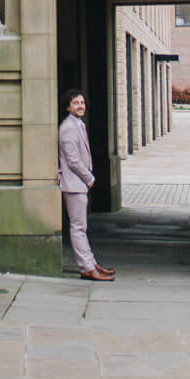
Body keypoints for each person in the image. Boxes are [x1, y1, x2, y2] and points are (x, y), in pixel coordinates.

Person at [58, 89, 113, 282]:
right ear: (67, 107)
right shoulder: (68, 128)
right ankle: (87, 268)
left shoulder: (78, 124)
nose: (80, 106)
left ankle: (91, 263)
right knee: (78, 227)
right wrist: (89, 178)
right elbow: (73, 160)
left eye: (82, 102)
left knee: (81, 227)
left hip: (78, 184)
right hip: (74, 184)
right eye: (75, 103)